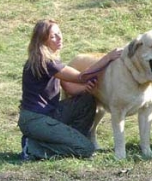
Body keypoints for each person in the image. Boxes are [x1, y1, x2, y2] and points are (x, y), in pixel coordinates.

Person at [18, 19, 121, 161]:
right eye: (54, 36)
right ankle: (33, 148)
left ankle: (68, 140)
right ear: (42, 40)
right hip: (36, 119)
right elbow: (81, 77)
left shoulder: (51, 61)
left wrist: (85, 89)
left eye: (59, 33)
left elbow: (69, 88)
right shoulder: (46, 62)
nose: (60, 38)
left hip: (49, 115)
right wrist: (108, 58)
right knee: (86, 149)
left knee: (87, 100)